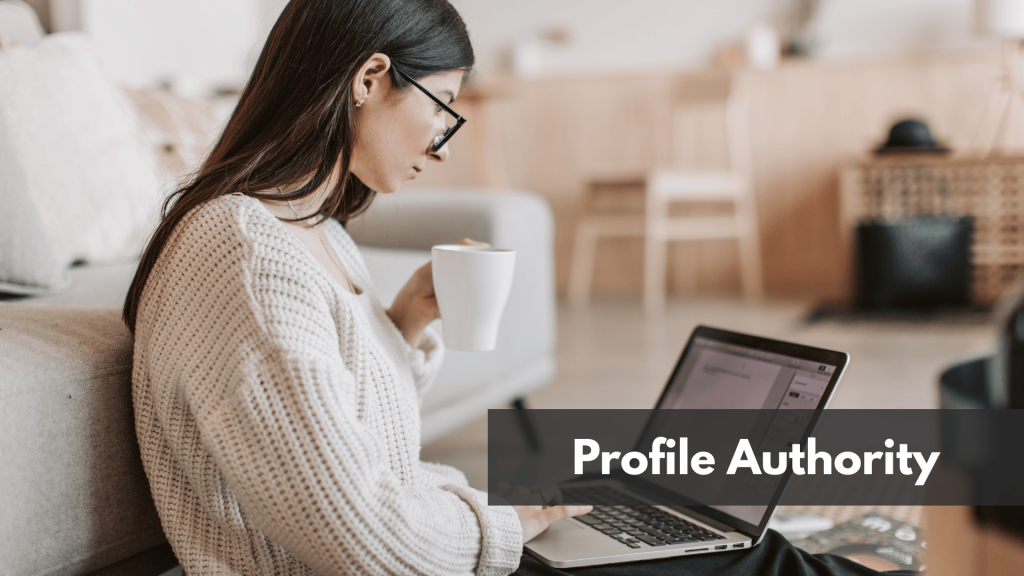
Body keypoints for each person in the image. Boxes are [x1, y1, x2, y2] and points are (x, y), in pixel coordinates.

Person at [123, 1, 911, 575]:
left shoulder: (314, 234)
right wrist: (504, 526)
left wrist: (397, 328)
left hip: (425, 547)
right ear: (369, 78)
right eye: (442, 108)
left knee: (717, 542)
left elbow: (347, 449)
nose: (442, 143)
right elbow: (356, 536)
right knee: (748, 562)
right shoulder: (245, 250)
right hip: (399, 563)